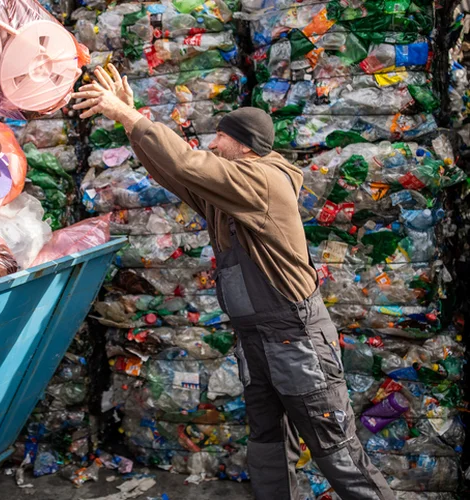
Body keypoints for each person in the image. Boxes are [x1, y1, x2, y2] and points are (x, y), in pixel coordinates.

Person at [72, 65, 396, 500]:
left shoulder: (262, 181)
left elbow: (189, 161)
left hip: (294, 337)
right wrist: (128, 116)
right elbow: (178, 172)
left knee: (332, 444)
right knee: (265, 439)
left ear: (241, 145)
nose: (212, 143)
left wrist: (129, 116)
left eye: (219, 137)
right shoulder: (229, 196)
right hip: (256, 338)